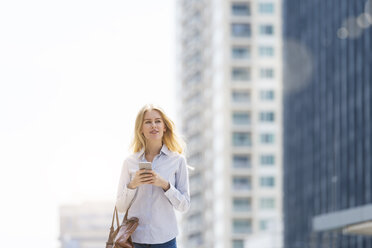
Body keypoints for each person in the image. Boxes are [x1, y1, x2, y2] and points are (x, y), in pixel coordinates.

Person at [115, 104, 190, 248]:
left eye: (158, 121)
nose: (153, 125)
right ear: (141, 129)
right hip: (134, 240)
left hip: (166, 240)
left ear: (164, 127)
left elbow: (184, 205)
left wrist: (165, 185)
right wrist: (133, 185)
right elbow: (120, 207)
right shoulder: (129, 162)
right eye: (148, 122)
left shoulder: (177, 161)